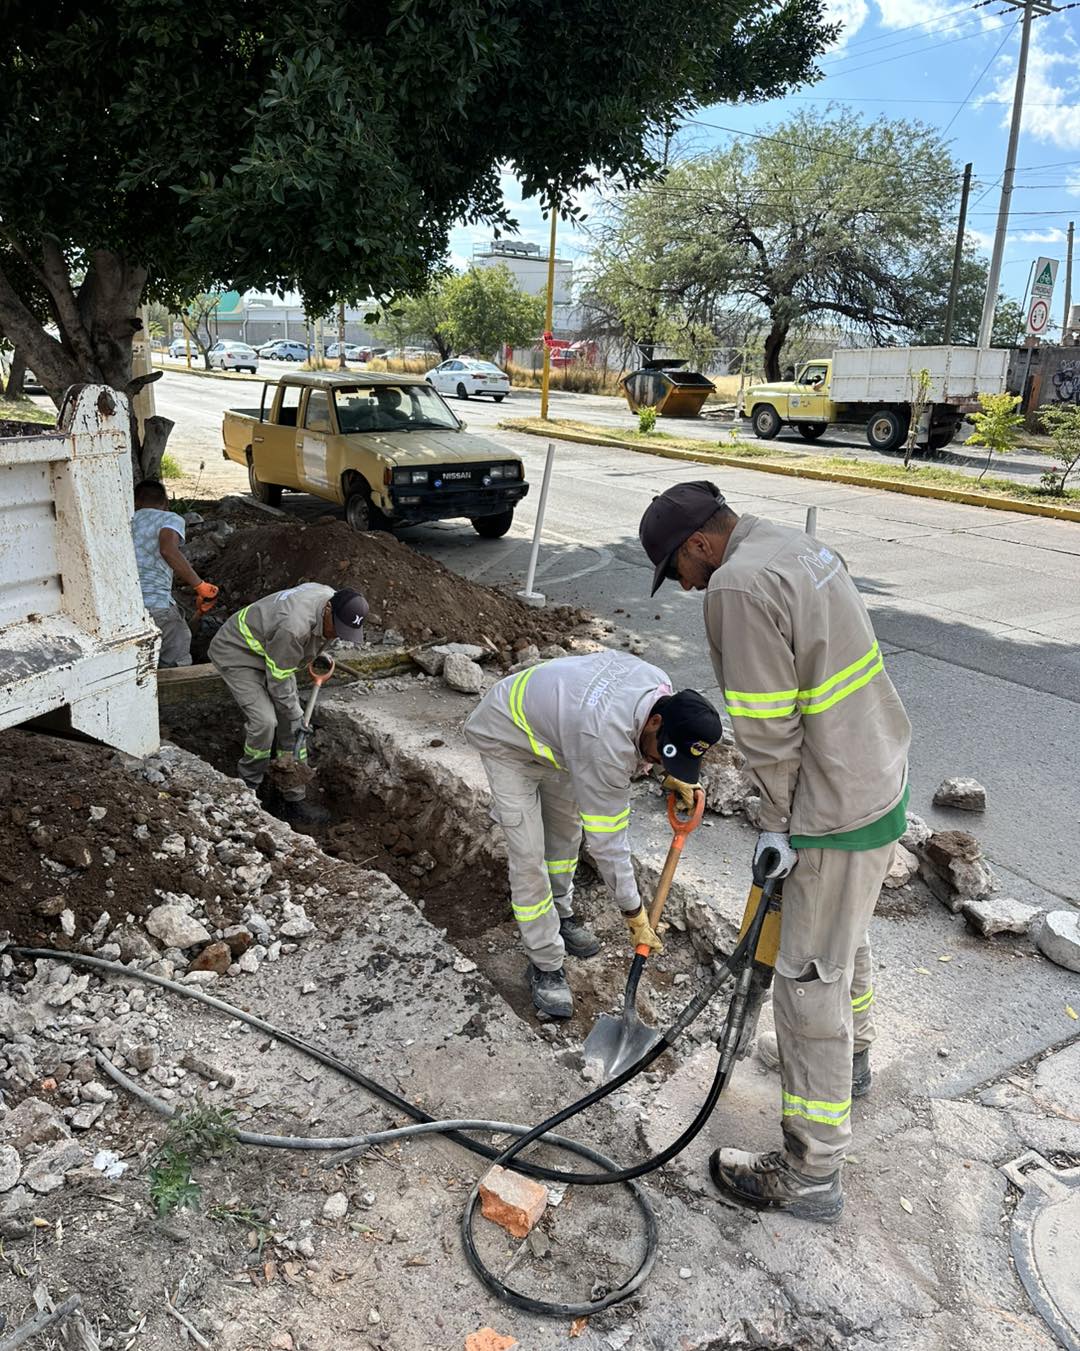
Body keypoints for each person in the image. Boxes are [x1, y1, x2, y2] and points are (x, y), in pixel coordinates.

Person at [639, 481, 911, 1223]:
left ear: (699, 543)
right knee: (839, 942)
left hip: (830, 803)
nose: (685, 586)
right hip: (878, 774)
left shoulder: (737, 585)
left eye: (679, 569)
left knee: (806, 979)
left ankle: (811, 1170)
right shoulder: (796, 546)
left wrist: (776, 825)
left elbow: (768, 729)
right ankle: (849, 1067)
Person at [464, 652, 723, 1019]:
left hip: (560, 740)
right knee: (529, 858)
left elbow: (639, 748)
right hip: (507, 736)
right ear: (655, 720)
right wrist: (635, 914)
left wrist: (672, 772)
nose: (661, 763)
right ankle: (546, 964)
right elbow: (608, 844)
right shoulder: (603, 742)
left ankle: (561, 913)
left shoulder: (656, 682)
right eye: (664, 755)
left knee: (566, 835)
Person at [209, 584, 369, 823]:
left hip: (273, 652)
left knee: (293, 727)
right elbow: (279, 678)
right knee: (266, 722)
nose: (336, 635)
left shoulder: (330, 596)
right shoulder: (293, 627)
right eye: (337, 629)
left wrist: (314, 654)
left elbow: (290, 661)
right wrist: (295, 715)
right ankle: (249, 790)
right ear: (328, 611)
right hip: (238, 653)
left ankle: (294, 799)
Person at [130, 480, 217, 668]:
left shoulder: (126, 520)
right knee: (177, 663)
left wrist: (199, 613)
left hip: (125, 608)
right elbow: (168, 550)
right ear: (166, 503)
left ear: (135, 501)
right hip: (156, 605)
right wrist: (200, 586)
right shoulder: (169, 518)